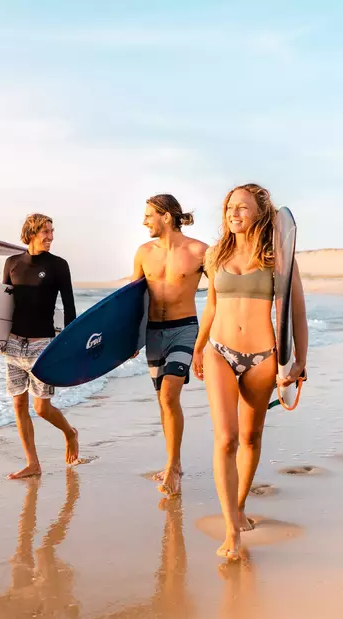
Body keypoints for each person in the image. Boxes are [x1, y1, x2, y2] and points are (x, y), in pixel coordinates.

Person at [191, 183, 309, 561]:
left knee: (251, 437)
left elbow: (295, 312)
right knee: (225, 438)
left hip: (263, 356)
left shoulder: (279, 256)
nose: (234, 213)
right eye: (229, 208)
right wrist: (198, 345)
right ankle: (230, 529)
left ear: (261, 212)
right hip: (220, 352)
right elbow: (210, 306)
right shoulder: (215, 254)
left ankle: (239, 505)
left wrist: (298, 362)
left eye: (242, 207)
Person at [130, 194, 208, 497]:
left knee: (169, 392)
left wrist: (207, 343)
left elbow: (221, 294)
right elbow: (133, 301)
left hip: (184, 329)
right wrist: (130, 338)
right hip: (153, 333)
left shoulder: (199, 251)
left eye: (149, 215)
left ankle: (174, 467)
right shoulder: (143, 252)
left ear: (166, 216)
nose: (144, 221)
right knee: (163, 401)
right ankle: (171, 461)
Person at [0, 213, 81, 479]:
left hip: (43, 345)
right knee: (19, 406)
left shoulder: (58, 265)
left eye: (52, 231)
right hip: (13, 344)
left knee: (41, 408)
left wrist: (70, 345)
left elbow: (70, 307)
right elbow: (2, 306)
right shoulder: (12, 263)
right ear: (31, 233)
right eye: (45, 231)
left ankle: (70, 433)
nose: (51, 236)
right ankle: (33, 463)